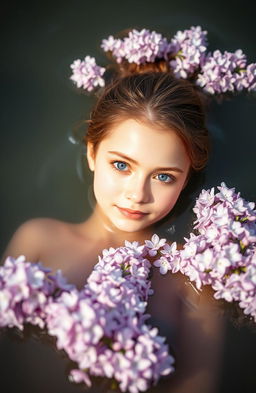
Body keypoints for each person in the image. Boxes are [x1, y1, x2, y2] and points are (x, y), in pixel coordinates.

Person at [2, 47, 224, 392]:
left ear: (186, 179)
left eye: (164, 176)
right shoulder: (38, 240)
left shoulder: (192, 280)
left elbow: (199, 382)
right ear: (92, 152)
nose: (137, 194)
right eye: (121, 165)